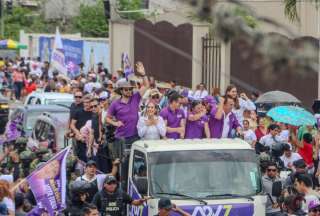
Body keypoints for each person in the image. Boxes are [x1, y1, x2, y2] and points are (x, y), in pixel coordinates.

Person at [106, 62, 149, 158]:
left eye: (130, 89)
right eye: (126, 89)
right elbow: (107, 118)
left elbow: (146, 85)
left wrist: (143, 74)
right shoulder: (115, 103)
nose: (129, 91)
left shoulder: (135, 97)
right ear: (121, 91)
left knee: (135, 164)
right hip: (121, 138)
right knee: (123, 163)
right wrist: (115, 123)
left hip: (135, 136)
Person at [70, 95, 93, 162]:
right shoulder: (78, 112)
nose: (87, 104)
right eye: (85, 102)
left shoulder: (94, 113)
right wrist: (78, 133)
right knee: (82, 158)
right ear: (83, 103)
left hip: (91, 140)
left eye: (88, 102)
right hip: (80, 139)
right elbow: (72, 125)